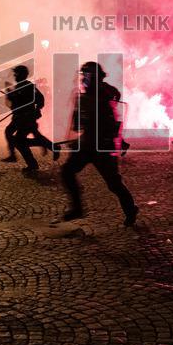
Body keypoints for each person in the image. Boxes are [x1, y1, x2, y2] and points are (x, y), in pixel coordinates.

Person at [59, 62, 139, 227]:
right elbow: (78, 124)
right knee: (67, 172)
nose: (82, 79)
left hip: (102, 146)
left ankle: (130, 209)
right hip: (88, 144)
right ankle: (77, 208)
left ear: (93, 77)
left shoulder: (104, 94)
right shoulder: (87, 96)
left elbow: (109, 121)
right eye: (83, 76)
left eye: (86, 76)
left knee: (114, 184)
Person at [1, 65, 57, 172]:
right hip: (19, 117)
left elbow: (40, 99)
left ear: (21, 75)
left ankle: (33, 161)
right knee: (10, 132)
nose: (15, 76)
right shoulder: (20, 86)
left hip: (25, 119)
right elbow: (17, 100)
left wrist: (35, 110)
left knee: (20, 141)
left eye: (16, 74)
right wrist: (10, 93)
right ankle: (15, 156)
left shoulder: (28, 86)